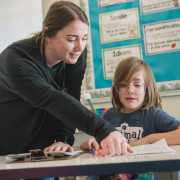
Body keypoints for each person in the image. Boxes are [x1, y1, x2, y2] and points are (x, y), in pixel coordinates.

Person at [0, 1, 133, 159]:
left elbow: (71, 98)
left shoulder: (76, 56)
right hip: (9, 139)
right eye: (71, 39)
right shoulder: (16, 61)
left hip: (43, 136)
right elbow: (51, 99)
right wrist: (104, 130)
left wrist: (64, 139)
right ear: (48, 35)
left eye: (84, 38)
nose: (79, 47)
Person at [80, 57, 180, 180]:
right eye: (123, 85)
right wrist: (94, 143)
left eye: (137, 85)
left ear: (146, 88)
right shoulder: (109, 115)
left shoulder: (154, 115)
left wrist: (149, 139)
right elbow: (102, 145)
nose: (130, 90)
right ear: (117, 89)